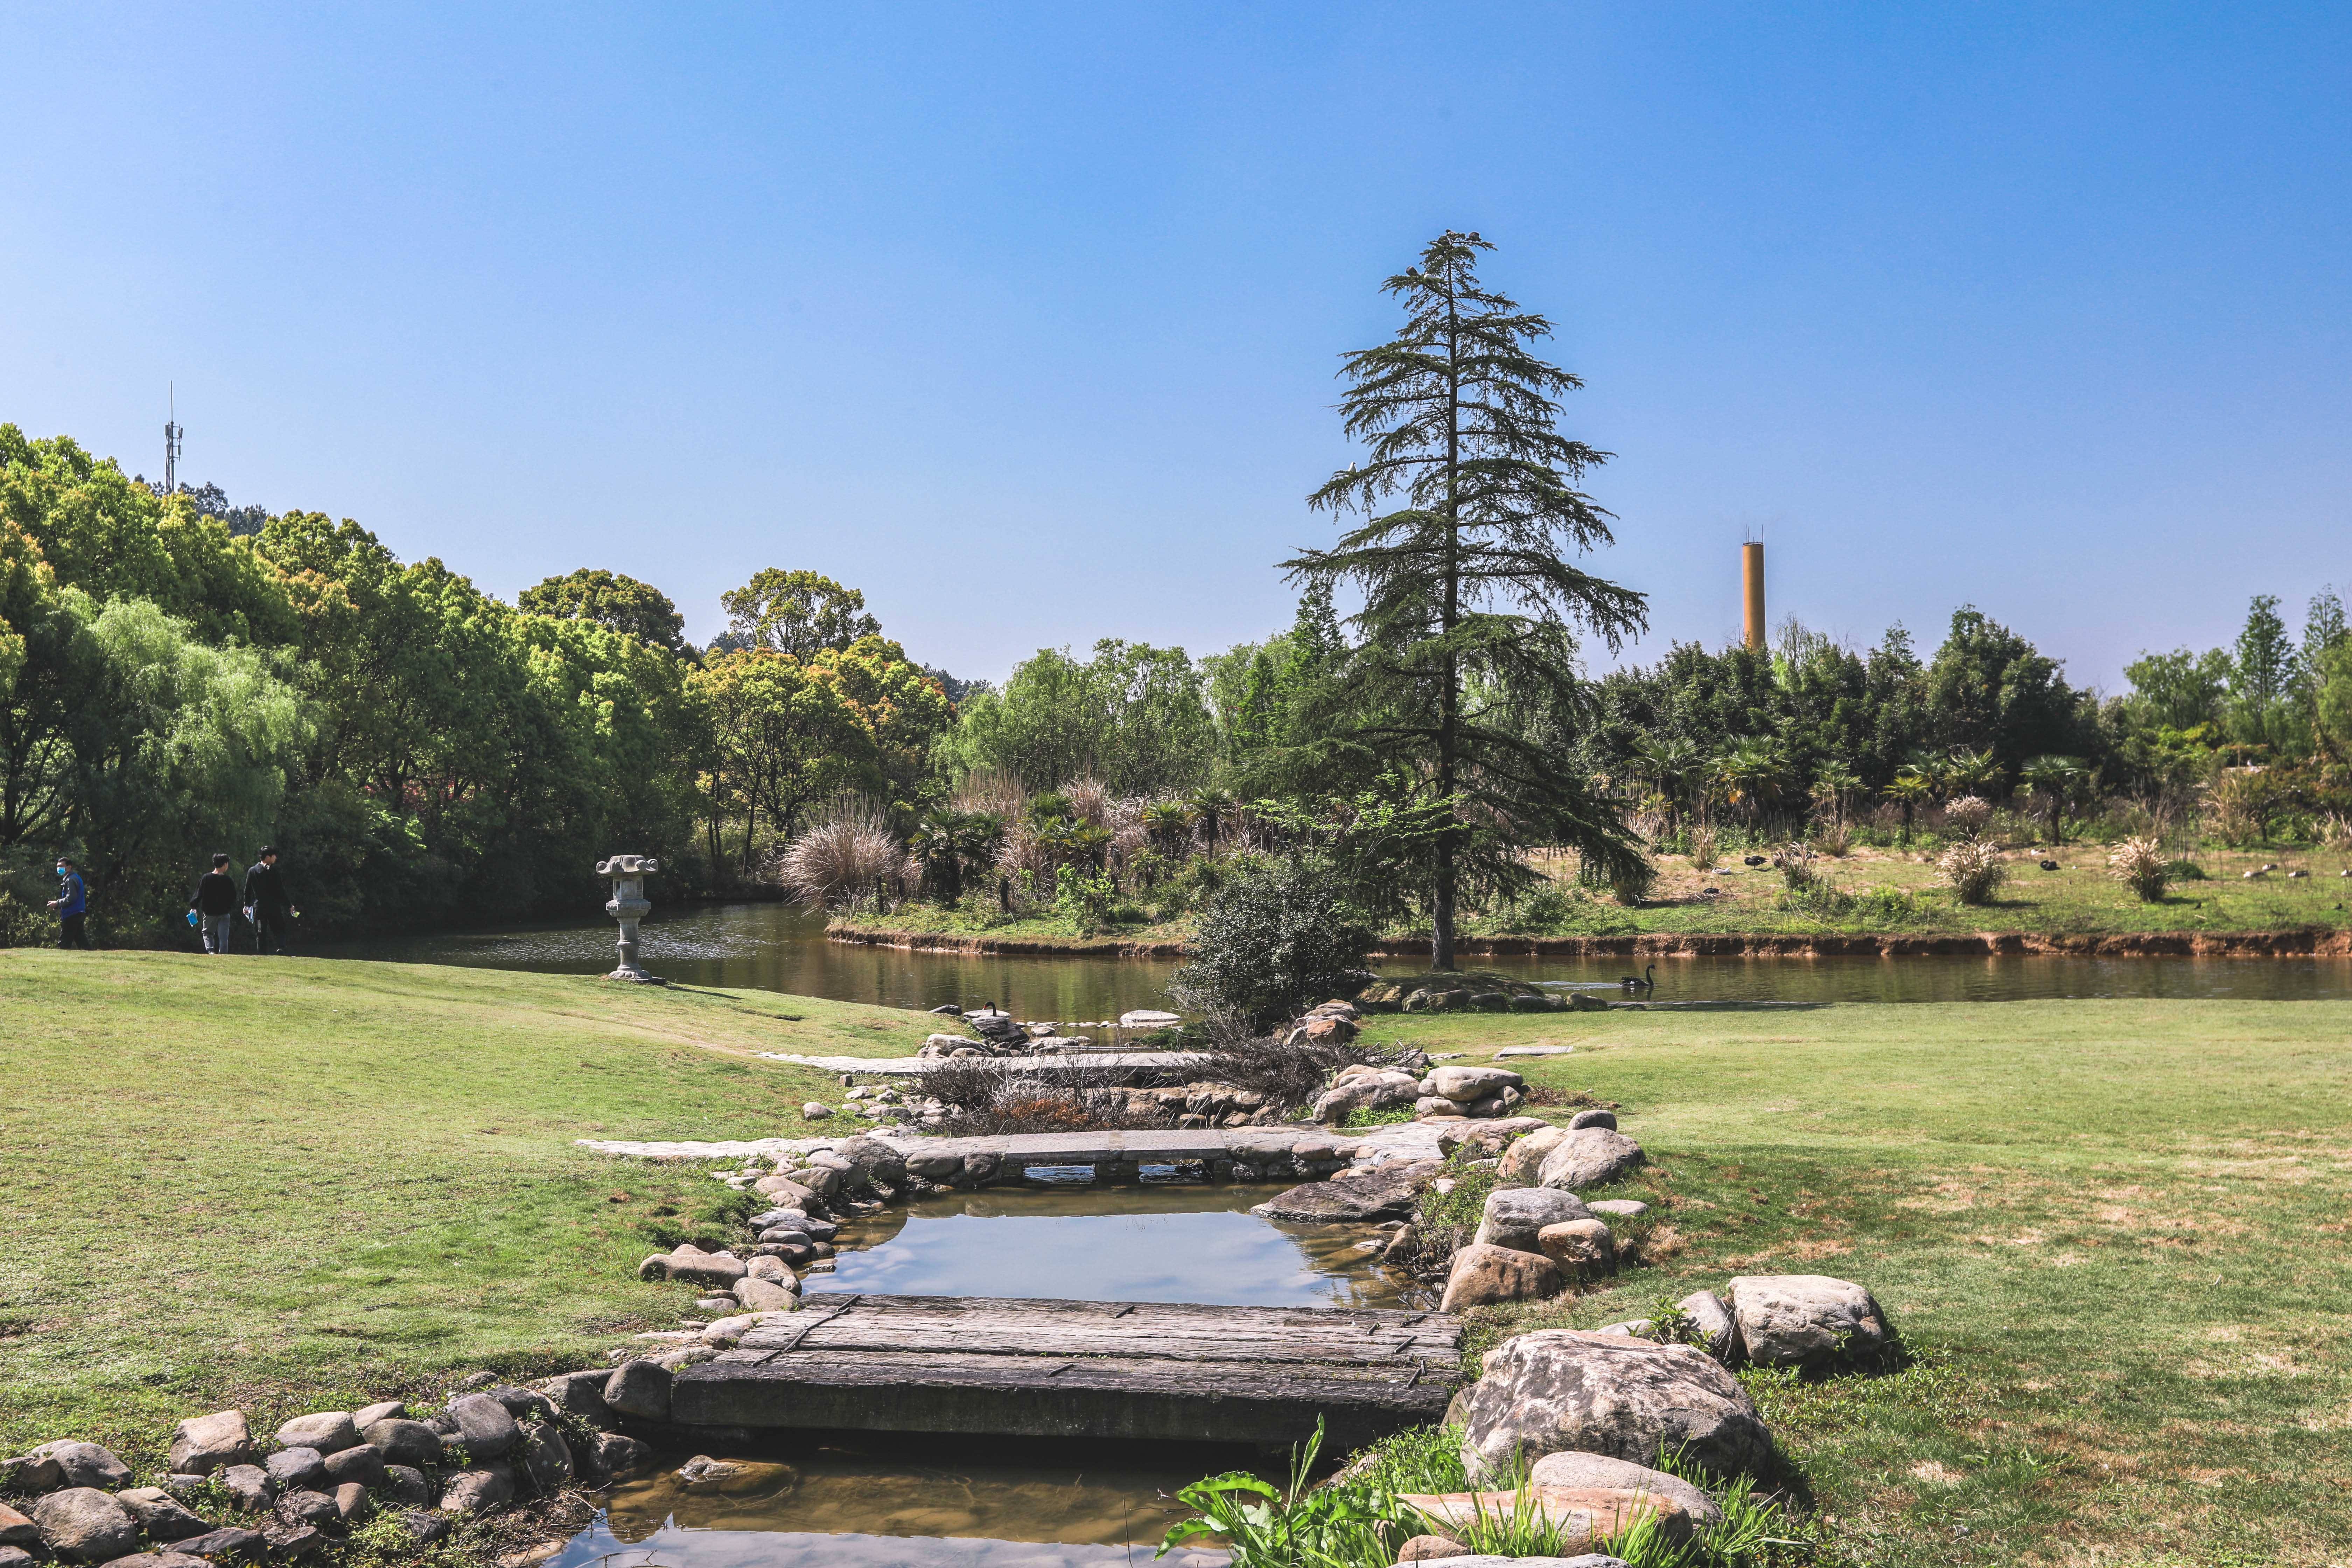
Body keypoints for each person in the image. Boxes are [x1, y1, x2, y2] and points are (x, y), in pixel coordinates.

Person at [243, 845, 297, 955]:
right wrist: (289, 905)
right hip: (274, 907)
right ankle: (281, 948)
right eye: (274, 856)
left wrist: (246, 905)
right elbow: (281, 891)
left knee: (260, 932)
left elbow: (247, 891)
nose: (276, 858)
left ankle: (262, 954)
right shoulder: (274, 871)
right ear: (268, 857)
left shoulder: (252, 871)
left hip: (259, 908)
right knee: (279, 929)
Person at [188, 852, 239, 954]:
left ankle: (211, 951)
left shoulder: (206, 878)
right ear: (225, 864)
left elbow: (198, 894)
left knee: (208, 933)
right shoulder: (228, 880)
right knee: (224, 937)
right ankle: (223, 954)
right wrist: (228, 907)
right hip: (224, 913)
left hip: (209, 912)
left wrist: (194, 907)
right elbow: (234, 897)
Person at [46, 856, 91, 948]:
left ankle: (61, 961)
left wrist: (57, 903)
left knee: (64, 943)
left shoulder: (71, 880)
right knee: (81, 940)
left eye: (62, 866)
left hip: (72, 915)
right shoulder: (75, 878)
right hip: (79, 913)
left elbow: (71, 898)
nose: (59, 869)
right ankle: (94, 958)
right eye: (58, 867)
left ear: (69, 867)